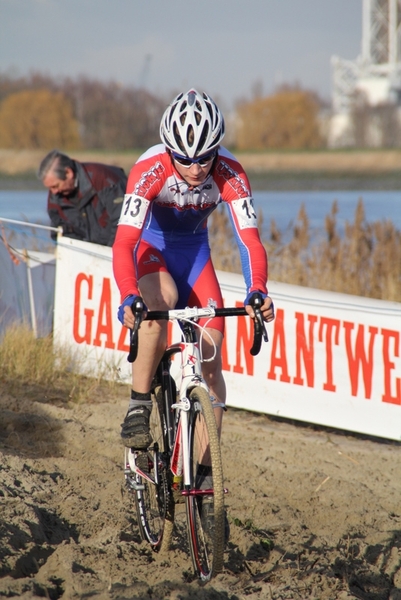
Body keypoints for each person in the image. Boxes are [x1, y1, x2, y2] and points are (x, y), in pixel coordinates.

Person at [112, 88, 275, 451]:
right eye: (184, 160)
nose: (196, 169)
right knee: (159, 304)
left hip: (196, 256)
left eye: (205, 159)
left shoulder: (231, 172)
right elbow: (124, 243)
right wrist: (128, 295)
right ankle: (138, 405)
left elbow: (249, 241)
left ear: (217, 149)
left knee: (212, 358)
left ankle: (203, 473)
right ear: (169, 151)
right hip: (152, 249)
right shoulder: (149, 170)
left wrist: (257, 290)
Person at [38, 150, 127, 246]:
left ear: (68, 173)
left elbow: (123, 222)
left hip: (116, 249)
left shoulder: (105, 180)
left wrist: (111, 252)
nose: (54, 192)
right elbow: (59, 232)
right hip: (84, 254)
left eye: (56, 186)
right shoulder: (55, 196)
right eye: (50, 188)